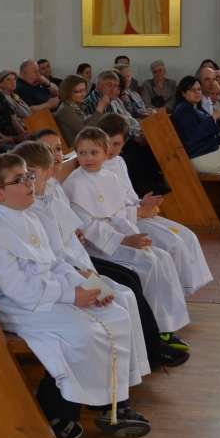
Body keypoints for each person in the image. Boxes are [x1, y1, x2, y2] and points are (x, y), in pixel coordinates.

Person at [0, 152, 151, 438]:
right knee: (84, 333)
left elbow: (54, 262)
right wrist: (71, 295)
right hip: (14, 305)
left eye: (29, 176)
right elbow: (17, 290)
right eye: (20, 179)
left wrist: (87, 284)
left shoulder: (28, 216)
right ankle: (61, 411)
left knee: (116, 314)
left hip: (45, 294)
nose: (30, 183)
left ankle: (112, 404)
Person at [15, 139, 186, 369]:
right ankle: (145, 351)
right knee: (123, 290)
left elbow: (69, 233)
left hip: (76, 259)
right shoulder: (29, 207)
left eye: (58, 149)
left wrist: (78, 242)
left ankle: (151, 345)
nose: (27, 182)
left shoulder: (50, 196)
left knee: (130, 277)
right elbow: (50, 256)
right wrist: (83, 272)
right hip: (68, 268)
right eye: (23, 177)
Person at [62, 126, 189, 337]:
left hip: (118, 237)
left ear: (106, 154)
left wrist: (132, 235)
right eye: (82, 153)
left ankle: (167, 322)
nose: (88, 158)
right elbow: (88, 227)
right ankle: (153, 328)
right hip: (100, 245)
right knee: (148, 263)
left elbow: (117, 213)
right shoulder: (74, 184)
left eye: (94, 152)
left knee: (162, 257)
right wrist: (126, 240)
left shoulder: (109, 177)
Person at [100, 115, 213, 296]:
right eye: (106, 143)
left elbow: (128, 196)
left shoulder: (119, 162)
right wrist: (139, 211)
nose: (110, 149)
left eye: (116, 144)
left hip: (136, 214)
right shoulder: (97, 169)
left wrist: (142, 202)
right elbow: (107, 212)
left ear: (124, 143)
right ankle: (176, 294)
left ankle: (182, 292)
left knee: (189, 237)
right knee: (174, 244)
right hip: (124, 223)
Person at [171, 77, 220, 214]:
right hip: (198, 156)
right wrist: (213, 117)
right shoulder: (183, 110)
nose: (197, 92)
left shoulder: (196, 108)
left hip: (208, 150)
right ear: (183, 93)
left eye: (199, 89)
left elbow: (214, 131)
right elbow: (194, 134)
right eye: (192, 90)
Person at [55, 74, 106, 147]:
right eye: (79, 91)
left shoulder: (77, 105)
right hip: (78, 149)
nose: (84, 94)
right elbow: (85, 131)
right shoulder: (65, 109)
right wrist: (100, 109)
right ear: (67, 92)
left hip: (88, 144)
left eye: (84, 90)